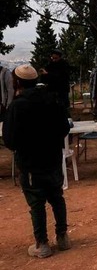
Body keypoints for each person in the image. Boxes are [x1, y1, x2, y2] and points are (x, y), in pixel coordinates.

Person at [2, 64, 71, 258]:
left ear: (17, 82)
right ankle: (63, 237)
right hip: (53, 160)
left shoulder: (17, 105)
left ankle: (42, 244)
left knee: (36, 202)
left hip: (31, 163)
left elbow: (9, 139)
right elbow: (64, 128)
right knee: (57, 197)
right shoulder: (52, 100)